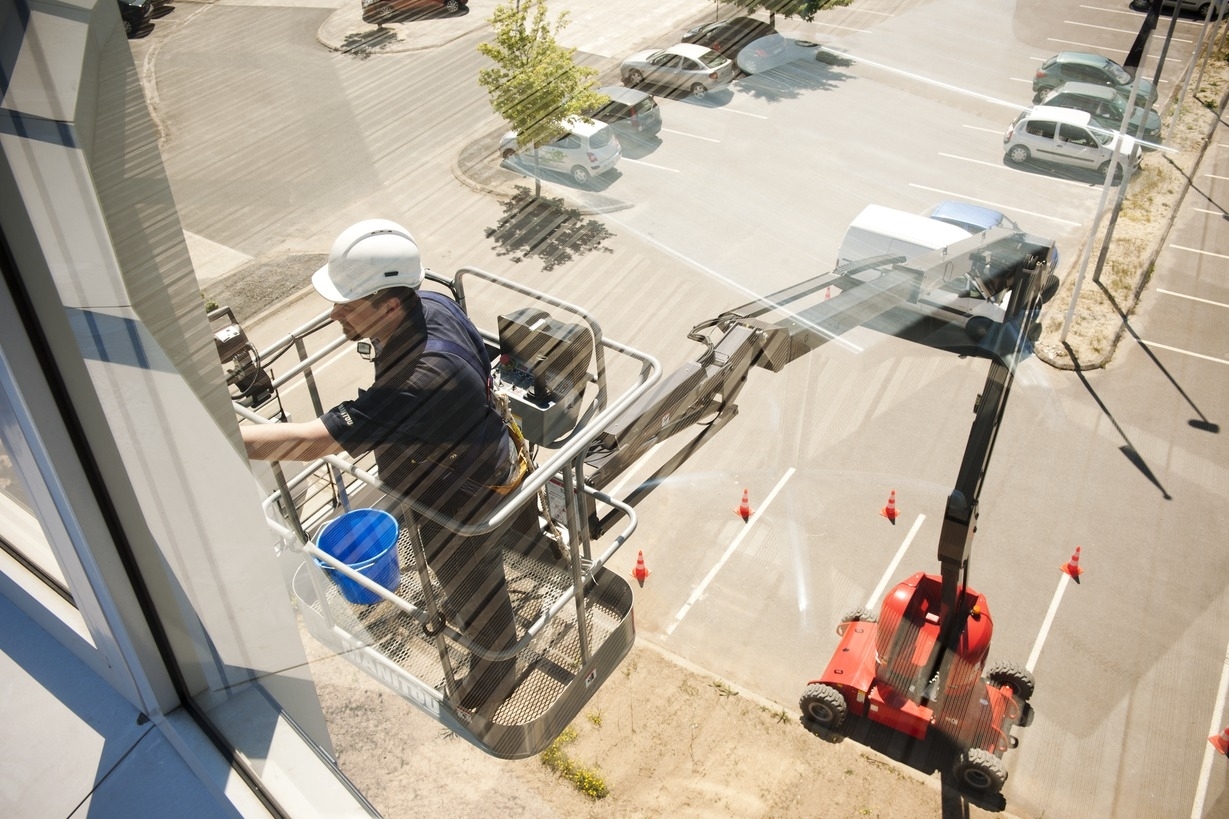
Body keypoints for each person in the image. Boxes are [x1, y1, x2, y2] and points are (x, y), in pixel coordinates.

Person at [242, 219, 531, 710]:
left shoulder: (422, 377)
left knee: (472, 589)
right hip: (486, 452)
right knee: (508, 552)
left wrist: (216, 438)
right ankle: (535, 554)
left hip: (459, 497)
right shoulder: (432, 304)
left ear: (389, 304)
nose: (335, 314)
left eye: (348, 305)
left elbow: (312, 444)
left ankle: (496, 674)